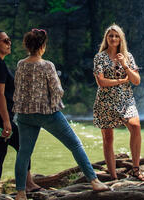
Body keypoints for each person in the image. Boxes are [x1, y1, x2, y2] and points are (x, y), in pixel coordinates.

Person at [12, 29, 110, 200]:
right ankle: (94, 181)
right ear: (42, 46)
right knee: (75, 144)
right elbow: (57, 90)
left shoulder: (21, 64)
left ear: (27, 46)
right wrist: (56, 100)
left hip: (24, 114)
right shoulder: (47, 65)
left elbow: (18, 88)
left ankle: (21, 193)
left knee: (24, 153)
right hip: (47, 113)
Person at [0, 31, 40, 197]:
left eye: (10, 40)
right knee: (1, 151)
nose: (9, 43)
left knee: (20, 146)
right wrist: (6, 122)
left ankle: (27, 184)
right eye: (5, 41)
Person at [92, 24, 144, 180]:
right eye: (111, 36)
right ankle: (113, 176)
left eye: (116, 36)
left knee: (136, 126)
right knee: (108, 138)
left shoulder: (127, 56)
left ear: (121, 38)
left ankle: (136, 169)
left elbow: (136, 81)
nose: (113, 38)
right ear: (106, 38)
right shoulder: (100, 57)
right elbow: (101, 82)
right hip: (105, 101)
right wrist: (120, 80)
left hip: (126, 99)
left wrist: (125, 65)